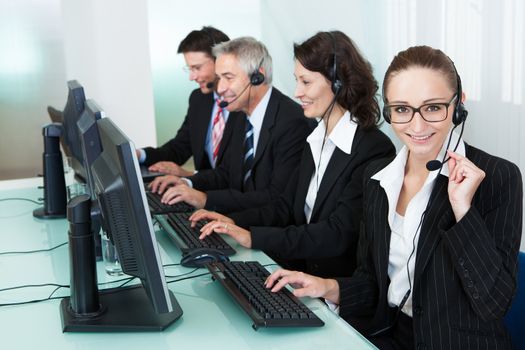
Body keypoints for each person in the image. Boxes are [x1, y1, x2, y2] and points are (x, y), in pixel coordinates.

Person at [265, 46, 523, 349]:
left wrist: (462, 210)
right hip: (387, 337)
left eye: (433, 107)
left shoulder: (497, 177)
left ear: (459, 106)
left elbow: (494, 303)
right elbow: (374, 284)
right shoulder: (378, 177)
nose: (416, 126)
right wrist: (327, 286)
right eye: (401, 109)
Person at [190, 31, 395, 278]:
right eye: (297, 81)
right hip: (298, 272)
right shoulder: (316, 138)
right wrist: (232, 222)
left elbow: (336, 233)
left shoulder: (372, 149)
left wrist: (253, 236)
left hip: (333, 286)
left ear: (338, 82)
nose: (297, 92)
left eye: (306, 82)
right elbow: (285, 207)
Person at [149, 37, 311, 213]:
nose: (220, 88)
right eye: (219, 78)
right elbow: (227, 173)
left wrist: (205, 199)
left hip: (267, 231)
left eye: (228, 77)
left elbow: (276, 198)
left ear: (258, 77)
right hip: (242, 219)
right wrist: (187, 183)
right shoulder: (241, 113)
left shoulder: (293, 123)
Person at [136, 26, 240, 176]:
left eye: (197, 68)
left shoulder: (244, 103)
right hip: (204, 192)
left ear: (221, 62)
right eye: (190, 69)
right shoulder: (199, 99)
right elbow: (179, 148)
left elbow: (238, 174)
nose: (192, 77)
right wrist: (139, 154)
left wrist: (188, 176)